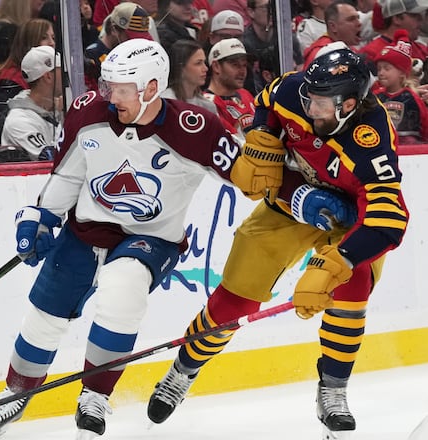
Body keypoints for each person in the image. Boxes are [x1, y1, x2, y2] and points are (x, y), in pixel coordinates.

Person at [0, 38, 245, 439]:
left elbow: (252, 177)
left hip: (151, 238)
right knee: (45, 316)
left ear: (151, 88)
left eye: (120, 88)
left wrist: (301, 198)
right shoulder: (90, 112)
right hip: (86, 229)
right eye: (108, 84)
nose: (109, 95)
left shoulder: (195, 129)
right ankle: (15, 393)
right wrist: (41, 218)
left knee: (123, 288)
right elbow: (68, 172)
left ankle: (94, 396)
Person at [146, 43, 408, 440]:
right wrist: (261, 134)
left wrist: (340, 260)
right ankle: (182, 371)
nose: (309, 107)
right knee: (235, 298)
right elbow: (267, 102)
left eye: (321, 103)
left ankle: (333, 390)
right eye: (309, 96)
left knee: (349, 292)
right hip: (290, 204)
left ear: (350, 104)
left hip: (348, 220)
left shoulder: (371, 142)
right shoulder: (295, 91)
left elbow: (389, 220)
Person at [0, 45, 61, 161]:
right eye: (61, 70)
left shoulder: (56, 107)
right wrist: (66, 121)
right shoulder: (19, 120)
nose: (66, 76)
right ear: (48, 76)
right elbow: (50, 158)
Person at [373, 30, 428, 143]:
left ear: (402, 73)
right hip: (383, 144)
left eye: (387, 69)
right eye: (379, 69)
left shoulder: (412, 97)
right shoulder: (376, 97)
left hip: (410, 145)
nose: (381, 73)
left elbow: (425, 122)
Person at [84, 2, 153, 92]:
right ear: (114, 30)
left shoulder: (136, 55)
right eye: (131, 38)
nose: (137, 45)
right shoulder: (92, 57)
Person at [204, 38, 255, 134]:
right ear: (216, 66)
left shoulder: (245, 94)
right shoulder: (207, 103)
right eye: (235, 65)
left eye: (244, 65)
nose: (242, 71)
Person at [360, 0, 428, 65]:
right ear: (397, 18)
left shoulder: (422, 49)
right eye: (414, 15)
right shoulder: (371, 53)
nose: (420, 19)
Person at [163, 39, 217, 112]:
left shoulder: (208, 106)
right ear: (181, 68)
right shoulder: (165, 103)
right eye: (198, 63)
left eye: (204, 62)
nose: (206, 68)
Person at [302, 1, 361, 66]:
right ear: (333, 26)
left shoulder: (351, 49)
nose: (359, 23)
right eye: (351, 19)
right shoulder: (321, 55)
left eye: (358, 18)